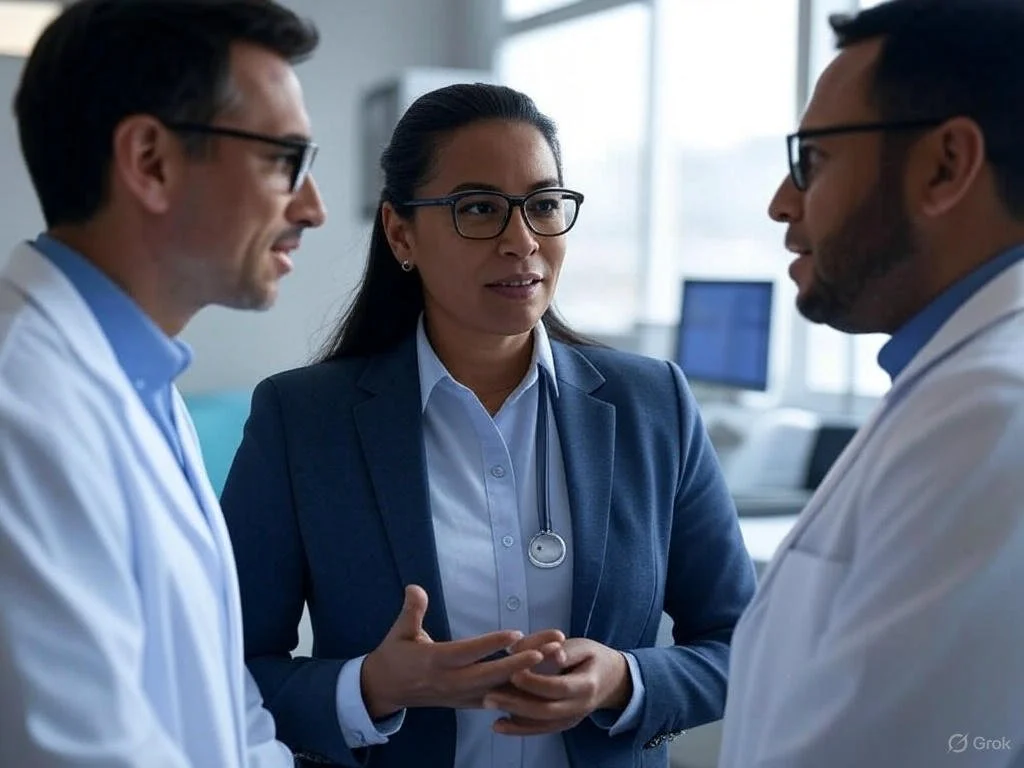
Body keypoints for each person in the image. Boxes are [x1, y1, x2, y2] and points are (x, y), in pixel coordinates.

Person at [220, 82, 757, 768]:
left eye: (542, 205)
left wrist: (627, 681)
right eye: (478, 208)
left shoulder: (654, 404)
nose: (521, 241)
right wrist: (371, 687)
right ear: (400, 232)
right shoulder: (303, 420)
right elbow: (224, 669)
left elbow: (743, 644)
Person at [0, 1, 327, 766]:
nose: (311, 207)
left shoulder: (142, 379)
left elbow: (223, 699)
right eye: (287, 160)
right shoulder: (21, 409)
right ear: (150, 161)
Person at [718, 1, 1024, 766]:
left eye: (812, 162)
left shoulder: (992, 411)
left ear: (946, 165)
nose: (782, 205)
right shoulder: (957, 385)